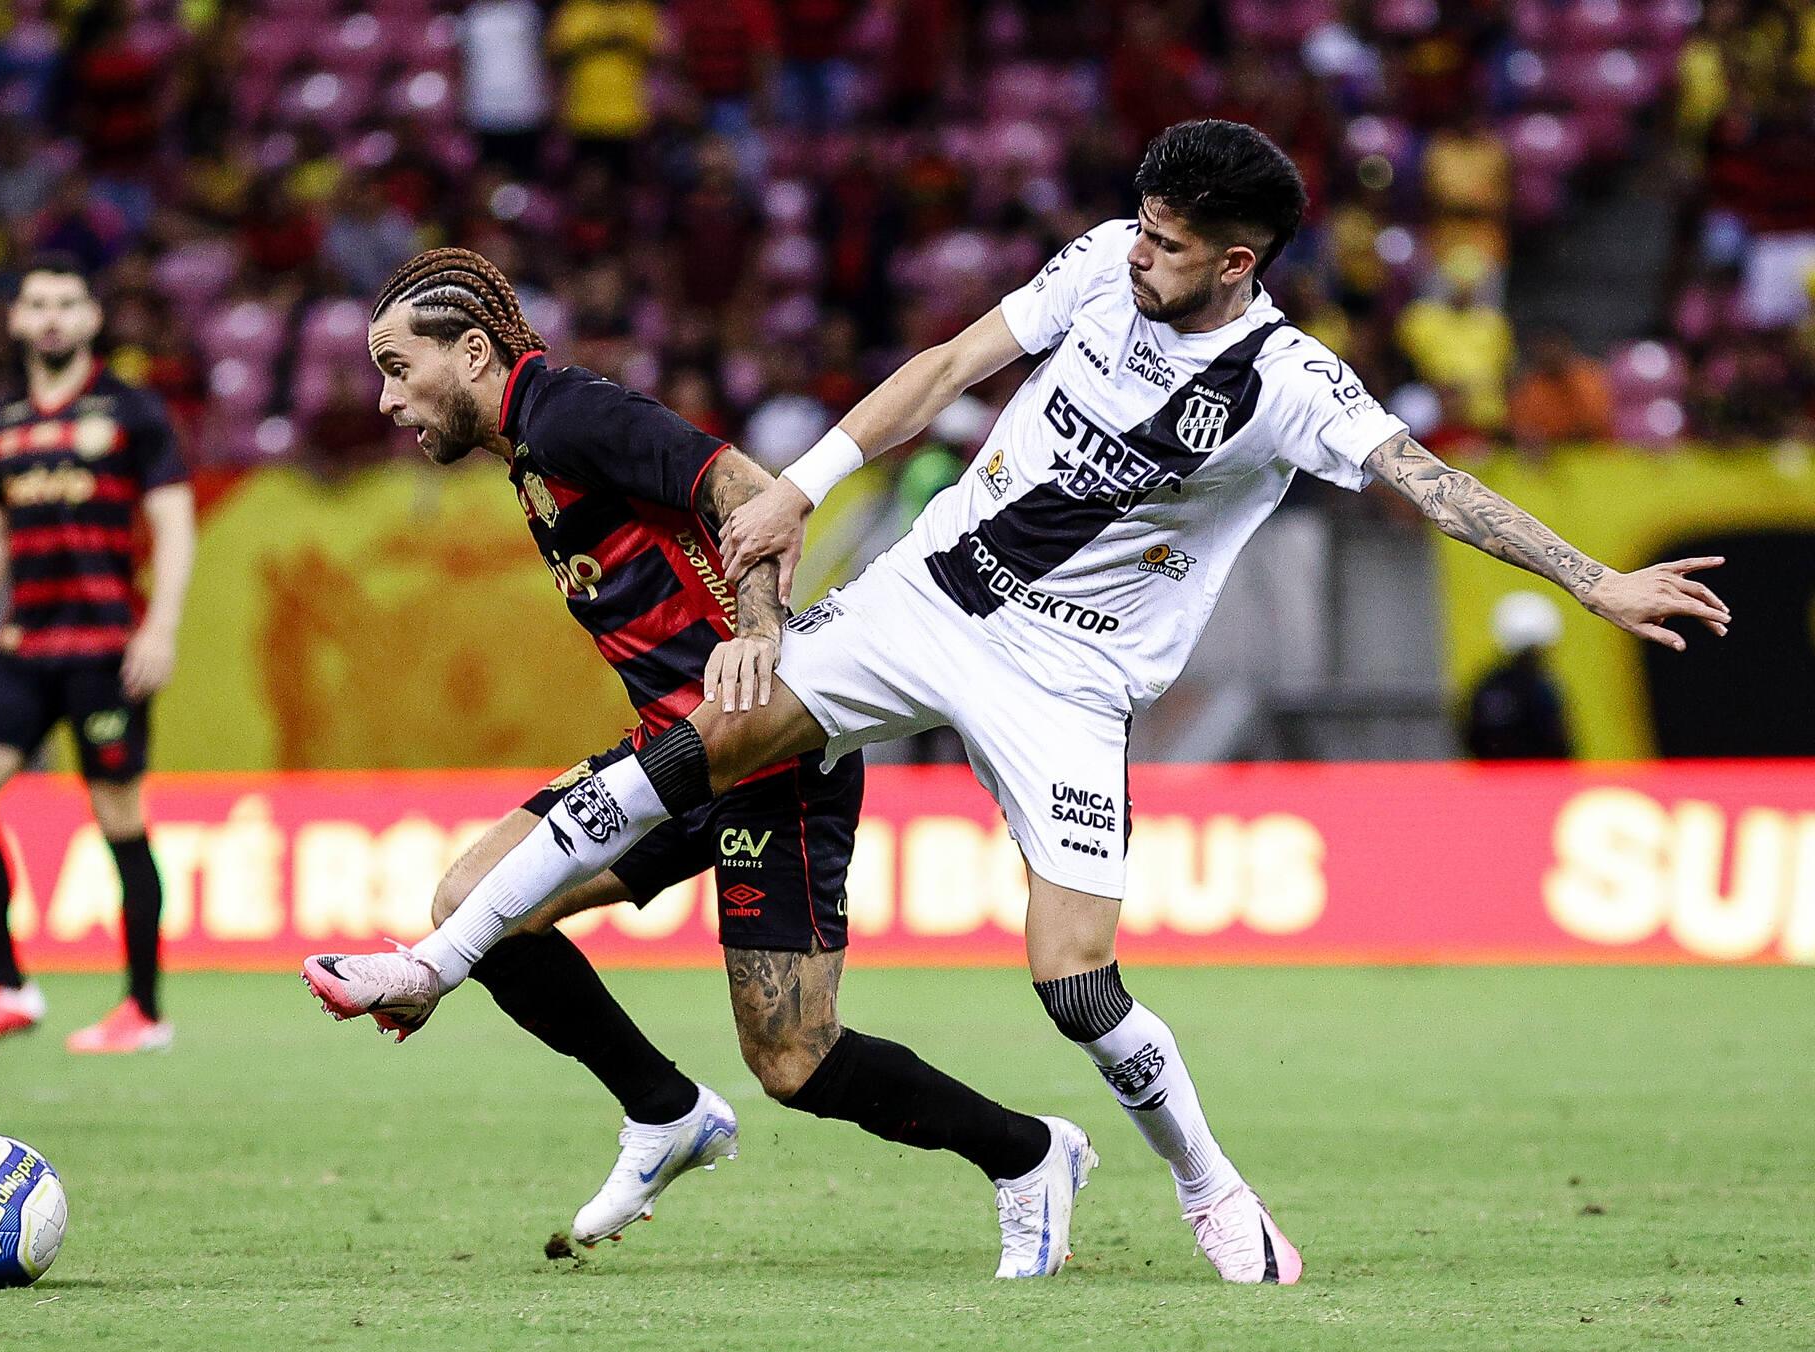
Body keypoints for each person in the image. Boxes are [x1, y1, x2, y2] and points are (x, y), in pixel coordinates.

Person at [307, 121, 1732, 1285]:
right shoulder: (1101, 265)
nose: (1141, 250)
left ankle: (1206, 1182)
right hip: (926, 602)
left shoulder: (1293, 385)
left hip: (1071, 679)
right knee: (708, 738)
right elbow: (946, 369)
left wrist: (1595, 578)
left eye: (1171, 242)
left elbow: (1434, 484)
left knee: (1075, 986)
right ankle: (437, 961)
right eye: (1142, 224)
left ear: (1235, 262)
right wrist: (807, 488)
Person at [304, 249, 1077, 1274]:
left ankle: (1029, 1156)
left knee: (794, 1060)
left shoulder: (570, 411)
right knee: (477, 902)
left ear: (474, 352)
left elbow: (744, 488)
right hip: (669, 761)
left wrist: (756, 634)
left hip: (767, 756)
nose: (388, 397)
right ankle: (663, 1111)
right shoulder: (528, 449)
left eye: (398, 368)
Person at [0, 254, 197, 1055]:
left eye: (66, 303)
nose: (50, 316)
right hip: (21, 644)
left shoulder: (131, 411)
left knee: (118, 816)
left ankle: (143, 1010)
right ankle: (9, 986)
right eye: (36, 303)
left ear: (90, 320)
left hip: (105, 646)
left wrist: (162, 626)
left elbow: (175, 520)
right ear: (15, 320)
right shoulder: (1, 418)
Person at [1463, 591, 1575, 760]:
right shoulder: (1541, 688)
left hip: (1492, 781)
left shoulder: (1488, 683)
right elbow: (1558, 740)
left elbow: (1469, 736)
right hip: (1537, 779)